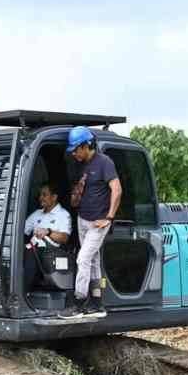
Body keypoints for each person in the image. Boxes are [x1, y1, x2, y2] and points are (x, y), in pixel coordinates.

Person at [64, 126, 122, 318]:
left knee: (83, 258)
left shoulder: (104, 162)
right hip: (83, 219)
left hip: (99, 222)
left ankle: (78, 302)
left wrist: (109, 217)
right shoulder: (81, 165)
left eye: (75, 149)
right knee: (93, 260)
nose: (74, 154)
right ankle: (97, 303)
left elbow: (117, 190)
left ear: (85, 145)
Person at [22, 182, 71, 290]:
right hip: (33, 249)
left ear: (54, 197)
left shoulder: (63, 214)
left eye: (44, 195)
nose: (40, 198)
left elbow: (64, 238)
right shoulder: (37, 214)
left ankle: (23, 291)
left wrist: (48, 232)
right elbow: (22, 231)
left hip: (52, 253)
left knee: (30, 252)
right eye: (40, 195)